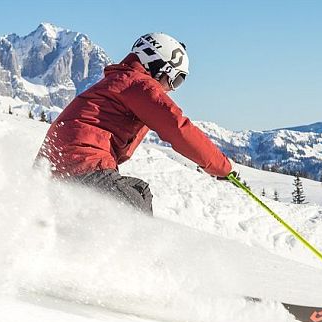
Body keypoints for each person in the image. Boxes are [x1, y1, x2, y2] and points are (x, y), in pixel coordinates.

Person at [37, 32, 235, 215]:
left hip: (58, 167)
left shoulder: (118, 82)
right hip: (83, 163)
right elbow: (177, 128)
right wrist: (222, 167)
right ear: (159, 67)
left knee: (137, 192)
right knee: (134, 203)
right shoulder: (138, 85)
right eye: (175, 80)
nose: (172, 89)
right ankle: (133, 251)